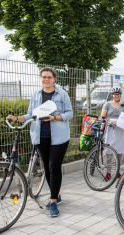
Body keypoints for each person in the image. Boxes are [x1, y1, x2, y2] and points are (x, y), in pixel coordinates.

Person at [6, 67, 73, 217]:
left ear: (54, 78)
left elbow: (70, 113)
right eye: (44, 77)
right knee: (47, 168)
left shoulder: (62, 94)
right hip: (40, 136)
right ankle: (55, 194)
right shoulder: (36, 94)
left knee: (54, 166)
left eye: (49, 77)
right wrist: (16, 118)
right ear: (41, 78)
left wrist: (54, 118)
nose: (46, 79)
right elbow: (30, 114)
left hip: (59, 137)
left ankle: (53, 201)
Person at [101, 87, 124, 181]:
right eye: (114, 94)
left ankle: (118, 171)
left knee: (119, 152)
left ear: (120, 95)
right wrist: (110, 122)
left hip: (121, 131)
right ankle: (108, 172)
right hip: (111, 130)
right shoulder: (107, 105)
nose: (116, 96)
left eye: (118, 94)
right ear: (112, 95)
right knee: (109, 152)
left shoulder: (123, 106)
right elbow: (103, 118)